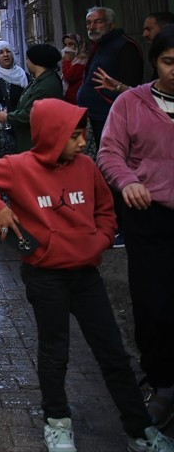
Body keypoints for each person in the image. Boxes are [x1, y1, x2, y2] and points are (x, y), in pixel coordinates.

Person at [0, 98, 174, 452]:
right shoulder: (17, 166)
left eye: (82, 135)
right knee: (54, 353)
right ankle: (57, 423)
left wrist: (100, 241)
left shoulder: (87, 167)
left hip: (87, 276)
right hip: (45, 277)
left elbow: (107, 210)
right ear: (52, 135)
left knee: (113, 354)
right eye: (74, 136)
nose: (81, 143)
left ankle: (140, 430)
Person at [97, 25, 174, 432]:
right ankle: (163, 382)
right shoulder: (132, 102)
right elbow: (110, 152)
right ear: (155, 63)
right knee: (154, 305)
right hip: (150, 218)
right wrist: (128, 182)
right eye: (168, 62)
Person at [77, 6, 144, 143]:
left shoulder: (125, 47)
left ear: (111, 24)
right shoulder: (99, 44)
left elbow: (132, 87)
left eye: (98, 22)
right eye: (89, 23)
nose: (92, 27)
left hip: (109, 118)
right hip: (93, 117)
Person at [0, 43, 64, 153]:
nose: (26, 62)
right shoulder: (38, 81)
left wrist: (7, 117)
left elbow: (30, 114)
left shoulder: (47, 85)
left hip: (38, 144)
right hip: (28, 141)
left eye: (28, 59)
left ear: (37, 62)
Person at [61, 33, 89, 104]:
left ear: (78, 45)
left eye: (70, 44)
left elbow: (69, 76)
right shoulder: (73, 59)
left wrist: (66, 62)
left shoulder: (82, 59)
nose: (67, 48)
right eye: (65, 45)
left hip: (76, 101)